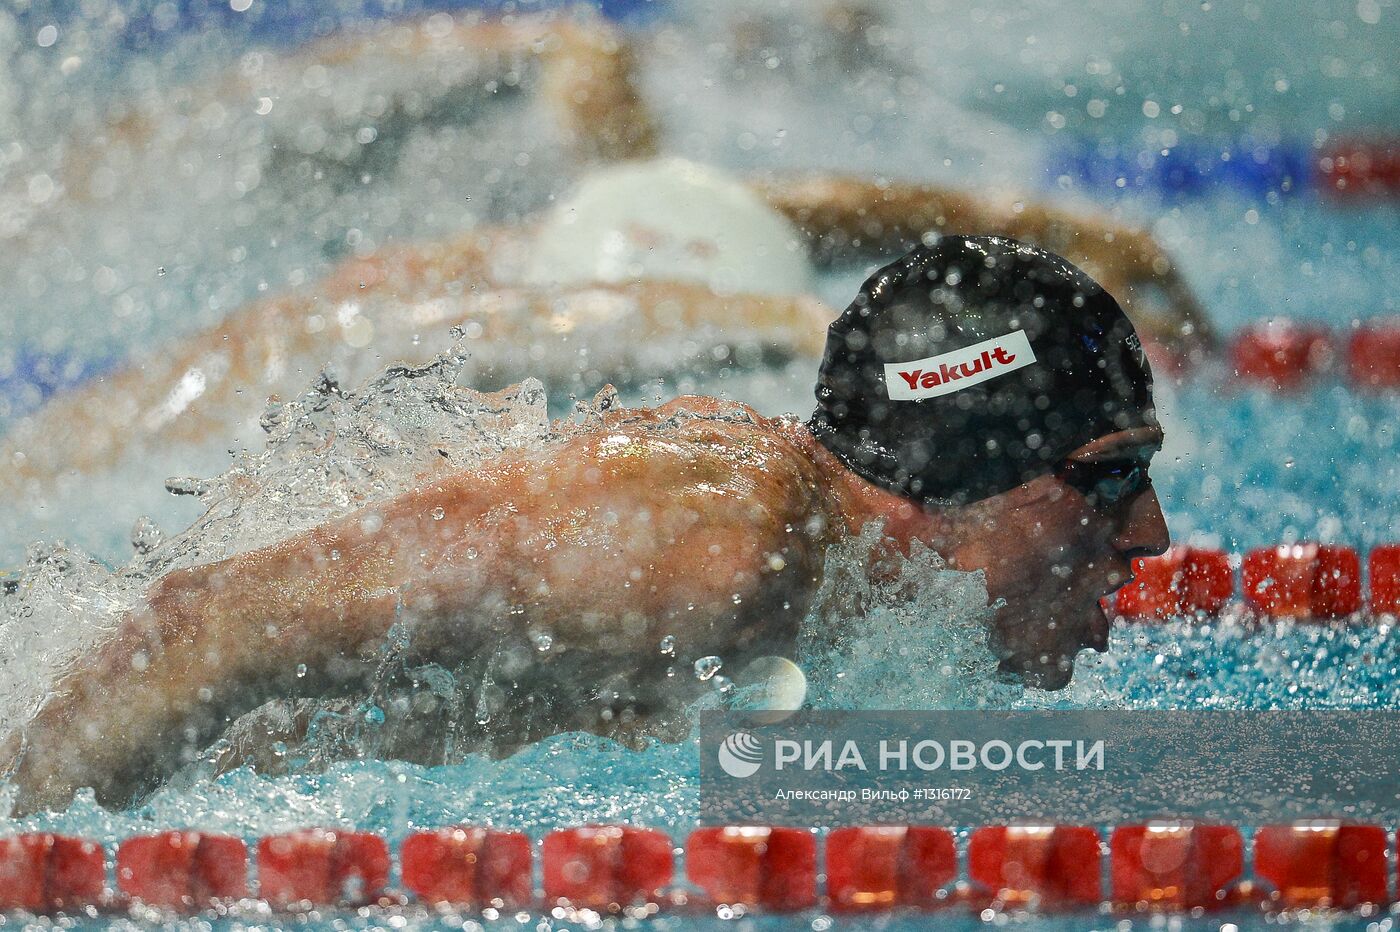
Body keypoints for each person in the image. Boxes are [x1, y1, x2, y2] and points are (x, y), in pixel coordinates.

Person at [2, 235, 1169, 815]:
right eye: (1109, 479)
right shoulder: (713, 542)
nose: (1153, 536)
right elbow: (205, 626)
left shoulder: (829, 587)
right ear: (958, 468)